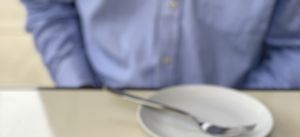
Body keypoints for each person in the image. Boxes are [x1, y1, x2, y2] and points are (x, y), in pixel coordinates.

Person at [21, 0, 300, 89]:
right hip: (107, 99)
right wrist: (80, 89)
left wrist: (245, 107)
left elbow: (292, 45)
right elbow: (50, 9)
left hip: (237, 119)